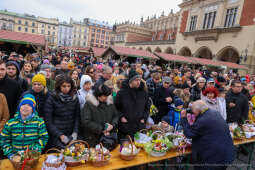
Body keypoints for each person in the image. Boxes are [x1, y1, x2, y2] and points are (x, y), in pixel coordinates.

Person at [180, 100, 235, 170]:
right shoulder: (215, 113)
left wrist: (184, 118)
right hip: (226, 155)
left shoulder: (203, 120)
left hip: (212, 159)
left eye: (192, 109)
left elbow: (189, 133)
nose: (191, 112)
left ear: (198, 110)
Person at [0, 95, 48, 159]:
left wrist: (35, 150)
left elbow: (43, 137)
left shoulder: (39, 122)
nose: (25, 107)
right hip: (15, 157)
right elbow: (4, 140)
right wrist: (11, 154)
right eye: (23, 104)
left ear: (33, 109)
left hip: (32, 156)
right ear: (19, 107)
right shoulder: (11, 123)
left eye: (29, 105)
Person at [44, 74, 80, 149]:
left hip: (71, 133)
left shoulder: (74, 98)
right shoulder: (52, 98)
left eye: (68, 86)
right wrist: (60, 135)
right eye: (64, 86)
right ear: (59, 86)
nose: (66, 88)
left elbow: (77, 117)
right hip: (56, 135)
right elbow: (48, 121)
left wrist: (75, 132)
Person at [115, 70, 149, 139]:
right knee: (123, 149)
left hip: (139, 126)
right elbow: (115, 108)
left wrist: (144, 118)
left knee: (138, 148)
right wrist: (121, 117)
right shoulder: (121, 93)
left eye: (139, 80)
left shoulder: (143, 93)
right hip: (125, 127)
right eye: (136, 80)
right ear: (131, 81)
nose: (138, 82)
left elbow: (147, 108)